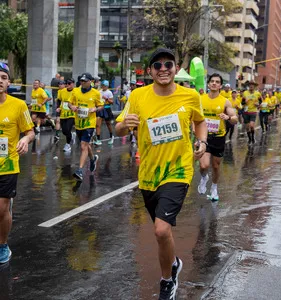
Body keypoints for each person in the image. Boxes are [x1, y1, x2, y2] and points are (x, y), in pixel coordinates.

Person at [115, 48, 207, 300]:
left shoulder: (190, 96)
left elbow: (199, 121)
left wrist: (202, 142)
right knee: (160, 231)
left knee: (160, 230)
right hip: (148, 175)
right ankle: (174, 263)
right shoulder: (137, 95)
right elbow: (120, 128)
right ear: (150, 71)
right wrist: (125, 124)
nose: (163, 69)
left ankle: (167, 279)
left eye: (169, 64)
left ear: (176, 68)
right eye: (158, 65)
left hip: (178, 170)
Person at [0, 62, 35, 264]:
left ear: (8, 82)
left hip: (8, 163)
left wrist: (24, 139)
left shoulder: (18, 105)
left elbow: (30, 132)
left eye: (3, 77)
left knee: (1, 209)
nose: (0, 81)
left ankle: (2, 244)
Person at [198, 73, 237, 201]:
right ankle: (204, 177)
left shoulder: (225, 101)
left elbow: (235, 119)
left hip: (219, 137)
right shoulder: (201, 99)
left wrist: (229, 117)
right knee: (203, 165)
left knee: (215, 166)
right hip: (204, 137)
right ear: (208, 84)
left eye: (217, 82)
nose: (214, 83)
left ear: (220, 85)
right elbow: (194, 117)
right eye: (212, 81)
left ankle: (214, 187)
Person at [68, 72, 103, 181]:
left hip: (89, 123)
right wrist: (72, 106)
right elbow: (69, 103)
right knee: (86, 145)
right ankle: (92, 159)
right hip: (78, 123)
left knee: (83, 145)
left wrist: (95, 109)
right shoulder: (75, 91)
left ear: (90, 82)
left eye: (85, 81)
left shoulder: (96, 93)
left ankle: (80, 170)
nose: (82, 83)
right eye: (81, 81)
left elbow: (101, 106)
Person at [56, 78, 76, 152]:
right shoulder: (62, 91)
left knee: (68, 129)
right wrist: (58, 107)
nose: (67, 85)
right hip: (63, 113)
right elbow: (59, 100)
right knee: (64, 131)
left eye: (69, 83)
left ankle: (68, 145)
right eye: (66, 83)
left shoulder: (76, 91)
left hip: (72, 114)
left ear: (73, 84)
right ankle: (72, 135)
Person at [94, 80, 114, 146]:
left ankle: (111, 136)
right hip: (100, 108)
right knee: (98, 124)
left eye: (105, 86)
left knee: (108, 123)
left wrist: (107, 99)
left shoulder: (109, 92)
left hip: (107, 108)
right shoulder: (99, 92)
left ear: (107, 86)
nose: (103, 87)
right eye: (102, 85)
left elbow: (112, 102)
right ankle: (98, 139)